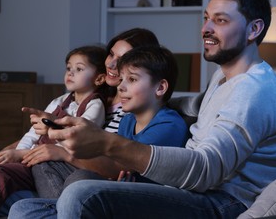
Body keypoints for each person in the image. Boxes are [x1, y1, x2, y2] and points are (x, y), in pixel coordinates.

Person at [9, 0, 276, 218]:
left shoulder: (255, 90)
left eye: (220, 21)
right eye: (206, 18)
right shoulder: (223, 79)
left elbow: (207, 169)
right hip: (189, 193)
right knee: (24, 208)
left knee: (81, 193)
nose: (206, 29)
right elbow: (193, 106)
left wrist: (106, 143)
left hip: (225, 202)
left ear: (254, 29)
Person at [0, 28, 162, 217]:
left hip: (75, 171)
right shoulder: (87, 94)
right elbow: (35, 134)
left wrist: (60, 150)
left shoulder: (133, 109)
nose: (112, 64)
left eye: (123, 58)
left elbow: (122, 161)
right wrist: (6, 152)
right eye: (111, 54)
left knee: (25, 192)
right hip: (50, 165)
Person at [32, 45, 189, 198]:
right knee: (26, 201)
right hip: (122, 188)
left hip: (150, 198)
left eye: (132, 79)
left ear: (160, 87)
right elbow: (114, 168)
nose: (121, 87)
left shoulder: (169, 125)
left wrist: (65, 154)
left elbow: (116, 166)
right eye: (121, 79)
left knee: (80, 180)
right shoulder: (127, 121)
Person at [0, 45, 108, 217]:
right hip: (32, 157)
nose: (70, 73)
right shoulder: (58, 101)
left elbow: (77, 138)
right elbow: (32, 134)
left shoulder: (95, 106)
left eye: (79, 69)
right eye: (68, 68)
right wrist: (16, 154)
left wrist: (22, 154)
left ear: (99, 79)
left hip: (59, 164)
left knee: (3, 174)